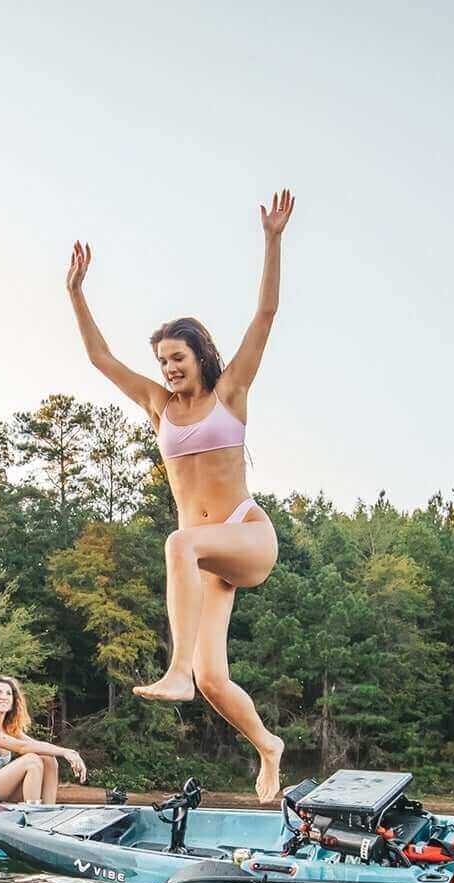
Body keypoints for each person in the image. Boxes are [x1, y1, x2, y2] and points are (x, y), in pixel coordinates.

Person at [65, 188, 294, 802]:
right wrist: (77, 294)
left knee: (179, 542)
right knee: (217, 679)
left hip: (245, 537)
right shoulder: (157, 406)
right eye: (162, 360)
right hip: (206, 561)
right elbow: (98, 356)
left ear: (200, 355)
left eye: (177, 357)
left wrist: (272, 241)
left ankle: (175, 671)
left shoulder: (231, 393)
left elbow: (265, 316)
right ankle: (268, 747)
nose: (168, 367)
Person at [0, 675, 87, 805]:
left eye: (8, 693)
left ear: (13, 701)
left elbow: (36, 745)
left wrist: (70, 752)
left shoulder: (9, 729)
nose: (4, 696)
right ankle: (32, 815)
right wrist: (65, 753)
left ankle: (48, 810)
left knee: (48, 758)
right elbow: (22, 747)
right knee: (31, 760)